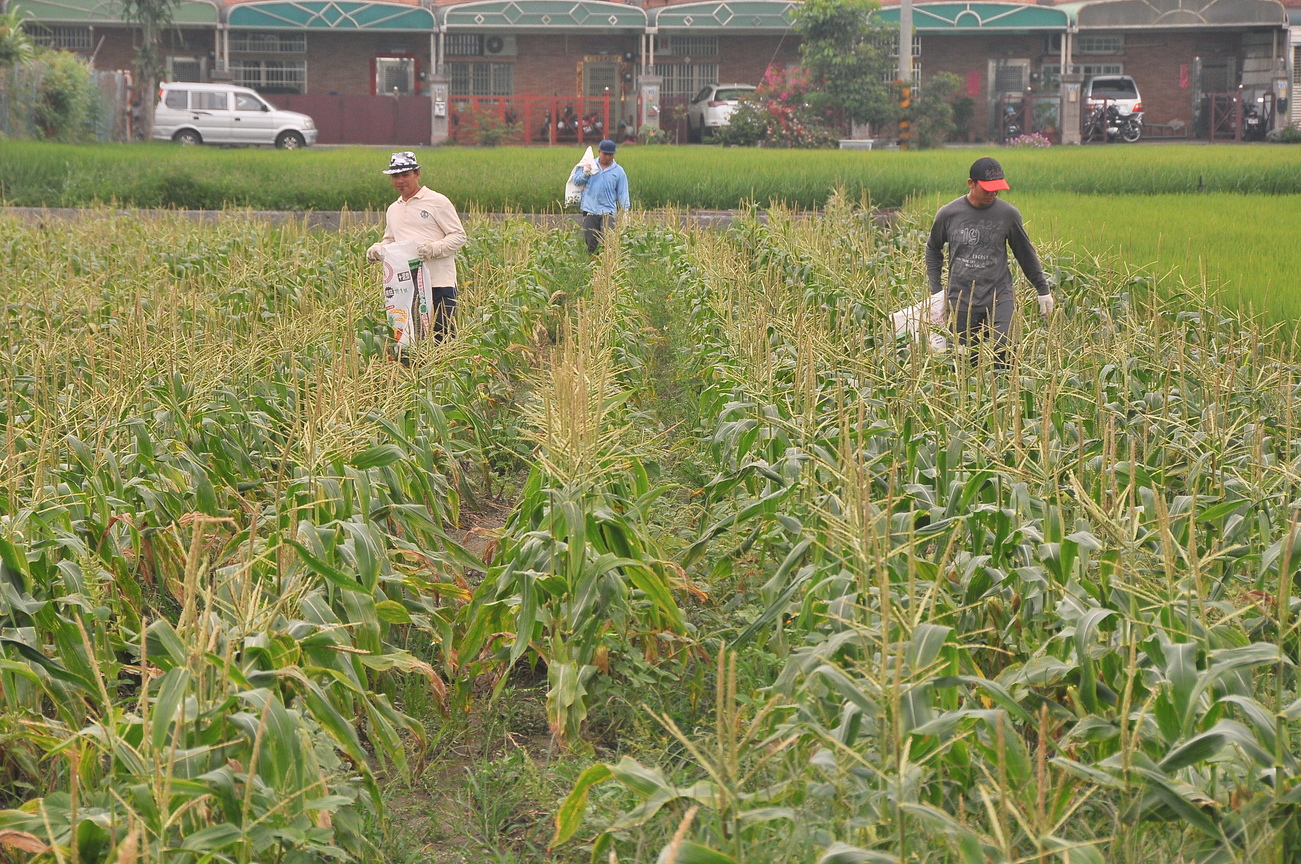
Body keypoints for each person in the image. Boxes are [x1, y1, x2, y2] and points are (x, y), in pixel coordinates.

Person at [924, 156, 1054, 368]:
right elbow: (932, 249)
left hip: (998, 295)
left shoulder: (1008, 215)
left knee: (1005, 351)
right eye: (987, 189)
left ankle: (1004, 398)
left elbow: (1025, 254)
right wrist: (937, 290)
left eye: (997, 189)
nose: (993, 193)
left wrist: (1043, 290)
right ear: (971, 183)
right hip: (961, 298)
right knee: (965, 362)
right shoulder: (949, 214)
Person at [366, 151, 467, 344]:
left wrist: (433, 249)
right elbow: (391, 240)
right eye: (396, 176)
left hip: (439, 283)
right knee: (412, 341)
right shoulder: (393, 209)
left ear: (417, 174)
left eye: (405, 175)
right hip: (407, 288)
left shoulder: (437, 202)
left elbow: (459, 236)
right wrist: (378, 249)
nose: (400, 180)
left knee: (442, 338)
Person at [570, 139, 630, 255]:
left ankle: (607, 267)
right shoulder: (590, 165)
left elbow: (623, 193)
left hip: (608, 211)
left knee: (608, 241)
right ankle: (593, 267)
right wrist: (585, 173)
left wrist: (625, 211)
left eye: (610, 154)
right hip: (590, 210)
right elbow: (576, 181)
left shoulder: (618, 171)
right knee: (591, 242)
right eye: (605, 154)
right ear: (599, 152)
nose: (607, 157)